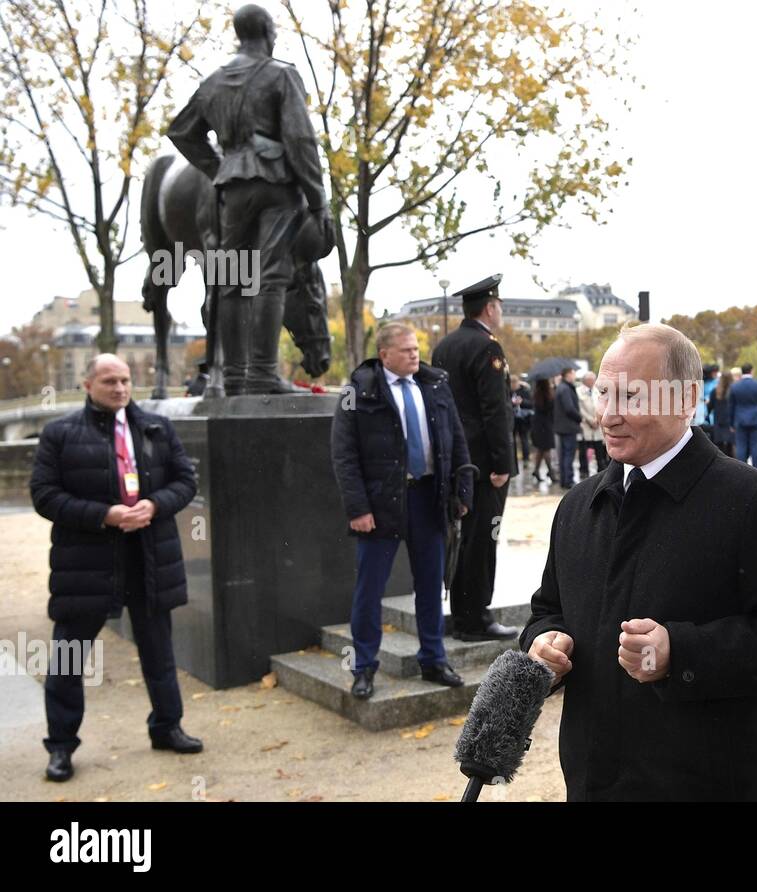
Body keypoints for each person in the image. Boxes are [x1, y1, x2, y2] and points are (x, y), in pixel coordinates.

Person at [520, 322, 757, 800]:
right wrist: (542, 644)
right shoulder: (577, 506)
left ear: (686, 399)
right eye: (603, 393)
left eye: (631, 396)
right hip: (591, 783)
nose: (608, 415)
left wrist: (680, 653)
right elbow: (548, 610)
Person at [30, 354, 201, 782]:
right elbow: (44, 495)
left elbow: (185, 481)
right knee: (68, 659)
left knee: (159, 652)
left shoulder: (157, 428)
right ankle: (61, 747)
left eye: (125, 380)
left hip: (148, 557)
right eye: (110, 381)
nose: (120, 388)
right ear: (88, 384)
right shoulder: (59, 433)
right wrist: (103, 515)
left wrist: (155, 504)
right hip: (85, 564)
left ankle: (167, 727)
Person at [167, 3, 330, 395]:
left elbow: (182, 132)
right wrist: (317, 198)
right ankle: (262, 373)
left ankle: (235, 375)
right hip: (277, 186)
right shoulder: (282, 74)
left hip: (234, 189)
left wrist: (220, 167)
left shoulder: (212, 82)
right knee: (272, 276)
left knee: (232, 279)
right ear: (269, 33)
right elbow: (301, 139)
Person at [331, 323, 475, 698]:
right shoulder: (357, 390)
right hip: (380, 505)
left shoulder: (435, 384)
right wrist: (358, 508)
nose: (415, 354)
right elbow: (343, 454)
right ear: (385, 355)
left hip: (429, 498)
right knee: (369, 589)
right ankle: (364, 667)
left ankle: (434, 659)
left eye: (416, 348)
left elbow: (457, 439)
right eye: (407, 350)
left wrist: (462, 492)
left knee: (430, 584)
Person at [429, 274, 519, 641]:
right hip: (484, 464)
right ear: (490, 308)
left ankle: (462, 612)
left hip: (456, 457)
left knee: (462, 536)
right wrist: (502, 463)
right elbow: (494, 410)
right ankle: (475, 618)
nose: (500, 312)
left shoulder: (445, 346)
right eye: (498, 306)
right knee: (483, 538)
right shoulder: (487, 347)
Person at [729, 363, 757, 469]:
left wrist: (731, 423)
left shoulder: (735, 386)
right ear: (752, 370)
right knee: (756, 446)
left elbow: (731, 406)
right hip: (756, 419)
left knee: (741, 447)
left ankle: (742, 470)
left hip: (740, 419)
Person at [554, 367, 583, 488]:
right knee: (568, 454)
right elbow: (569, 408)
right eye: (573, 373)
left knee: (564, 454)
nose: (574, 376)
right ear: (568, 374)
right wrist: (580, 418)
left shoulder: (561, 387)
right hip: (568, 426)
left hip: (562, 426)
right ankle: (568, 480)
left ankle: (564, 480)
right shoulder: (565, 388)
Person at [576, 370, 607, 478]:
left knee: (599, 450)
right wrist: (590, 420)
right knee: (583, 450)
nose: (593, 381)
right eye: (591, 380)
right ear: (586, 381)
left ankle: (601, 471)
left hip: (597, 425)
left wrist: (597, 419)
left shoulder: (597, 390)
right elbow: (579, 408)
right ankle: (584, 471)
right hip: (585, 425)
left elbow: (602, 404)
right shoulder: (578, 391)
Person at [530, 377, 556, 482]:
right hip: (545, 426)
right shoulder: (546, 395)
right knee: (546, 449)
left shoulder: (536, 394)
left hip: (538, 426)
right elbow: (549, 409)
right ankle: (551, 472)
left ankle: (536, 471)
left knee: (541, 450)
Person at [706, 370, 735, 457]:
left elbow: (710, 407)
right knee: (731, 447)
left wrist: (707, 416)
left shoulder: (715, 391)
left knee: (719, 448)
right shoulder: (735, 391)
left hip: (719, 421)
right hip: (731, 421)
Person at [511, 375, 534, 466]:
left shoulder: (524, 391)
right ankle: (513, 460)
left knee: (524, 439)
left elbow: (531, 404)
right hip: (513, 419)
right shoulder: (509, 392)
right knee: (512, 440)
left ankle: (526, 459)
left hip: (523, 419)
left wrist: (522, 401)